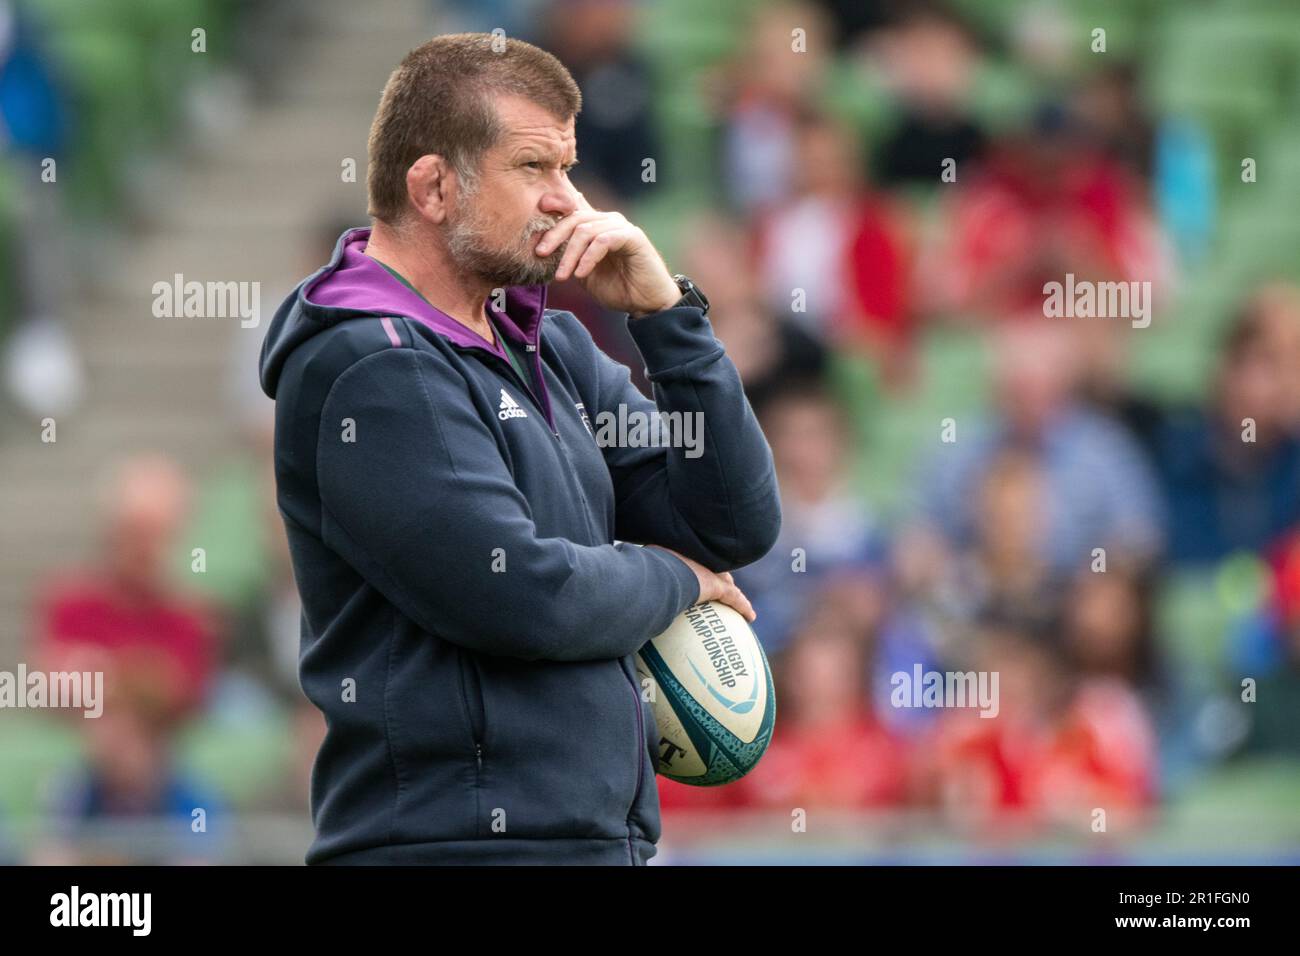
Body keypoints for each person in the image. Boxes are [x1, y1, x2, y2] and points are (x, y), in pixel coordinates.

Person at [257, 33, 780, 865]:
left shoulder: (556, 348)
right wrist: (678, 583)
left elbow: (732, 524)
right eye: (534, 169)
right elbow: (521, 592)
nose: (568, 202)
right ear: (432, 186)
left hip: (594, 846)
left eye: (567, 169)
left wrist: (669, 323)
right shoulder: (366, 368)